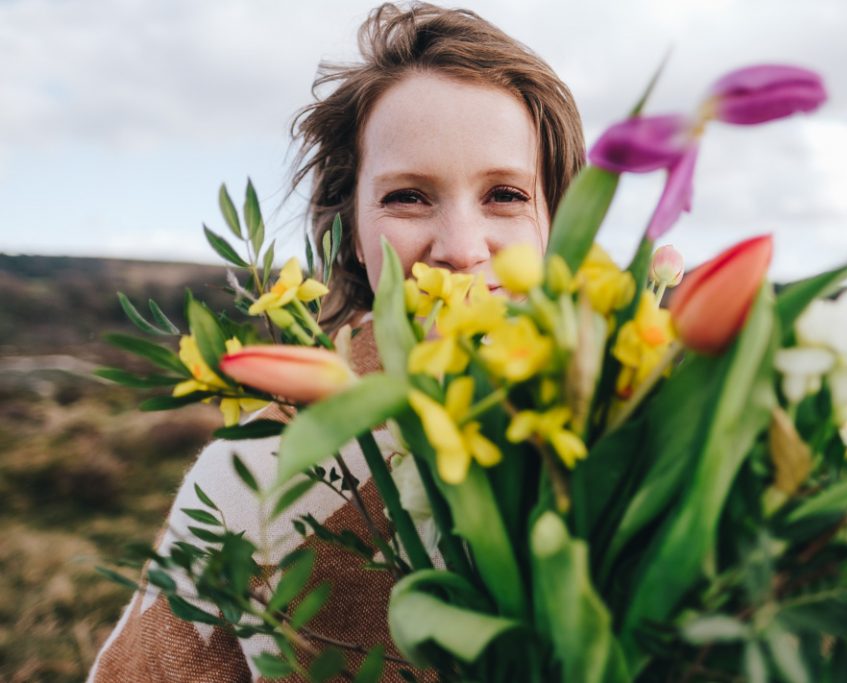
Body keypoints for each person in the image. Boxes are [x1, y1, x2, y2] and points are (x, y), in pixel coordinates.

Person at [88, 3, 585, 681]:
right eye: (408, 197)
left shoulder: (637, 431)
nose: (462, 250)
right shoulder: (255, 479)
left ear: (557, 222)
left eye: (504, 194)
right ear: (350, 228)